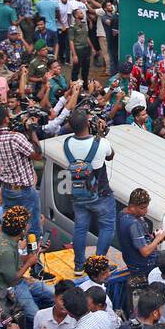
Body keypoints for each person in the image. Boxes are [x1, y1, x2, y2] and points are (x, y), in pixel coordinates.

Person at [61, 109, 116, 274]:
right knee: (106, 228)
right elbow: (110, 156)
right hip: (101, 194)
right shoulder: (100, 143)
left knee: (80, 228)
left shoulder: (66, 143)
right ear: (87, 124)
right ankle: (98, 266)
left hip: (79, 193)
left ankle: (79, 265)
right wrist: (101, 136)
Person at [0, 102, 43, 236]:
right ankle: (31, 253)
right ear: (6, 119)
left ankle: (17, 251)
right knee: (31, 227)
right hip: (23, 191)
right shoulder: (15, 137)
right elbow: (38, 155)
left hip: (7, 189)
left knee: (12, 226)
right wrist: (32, 131)